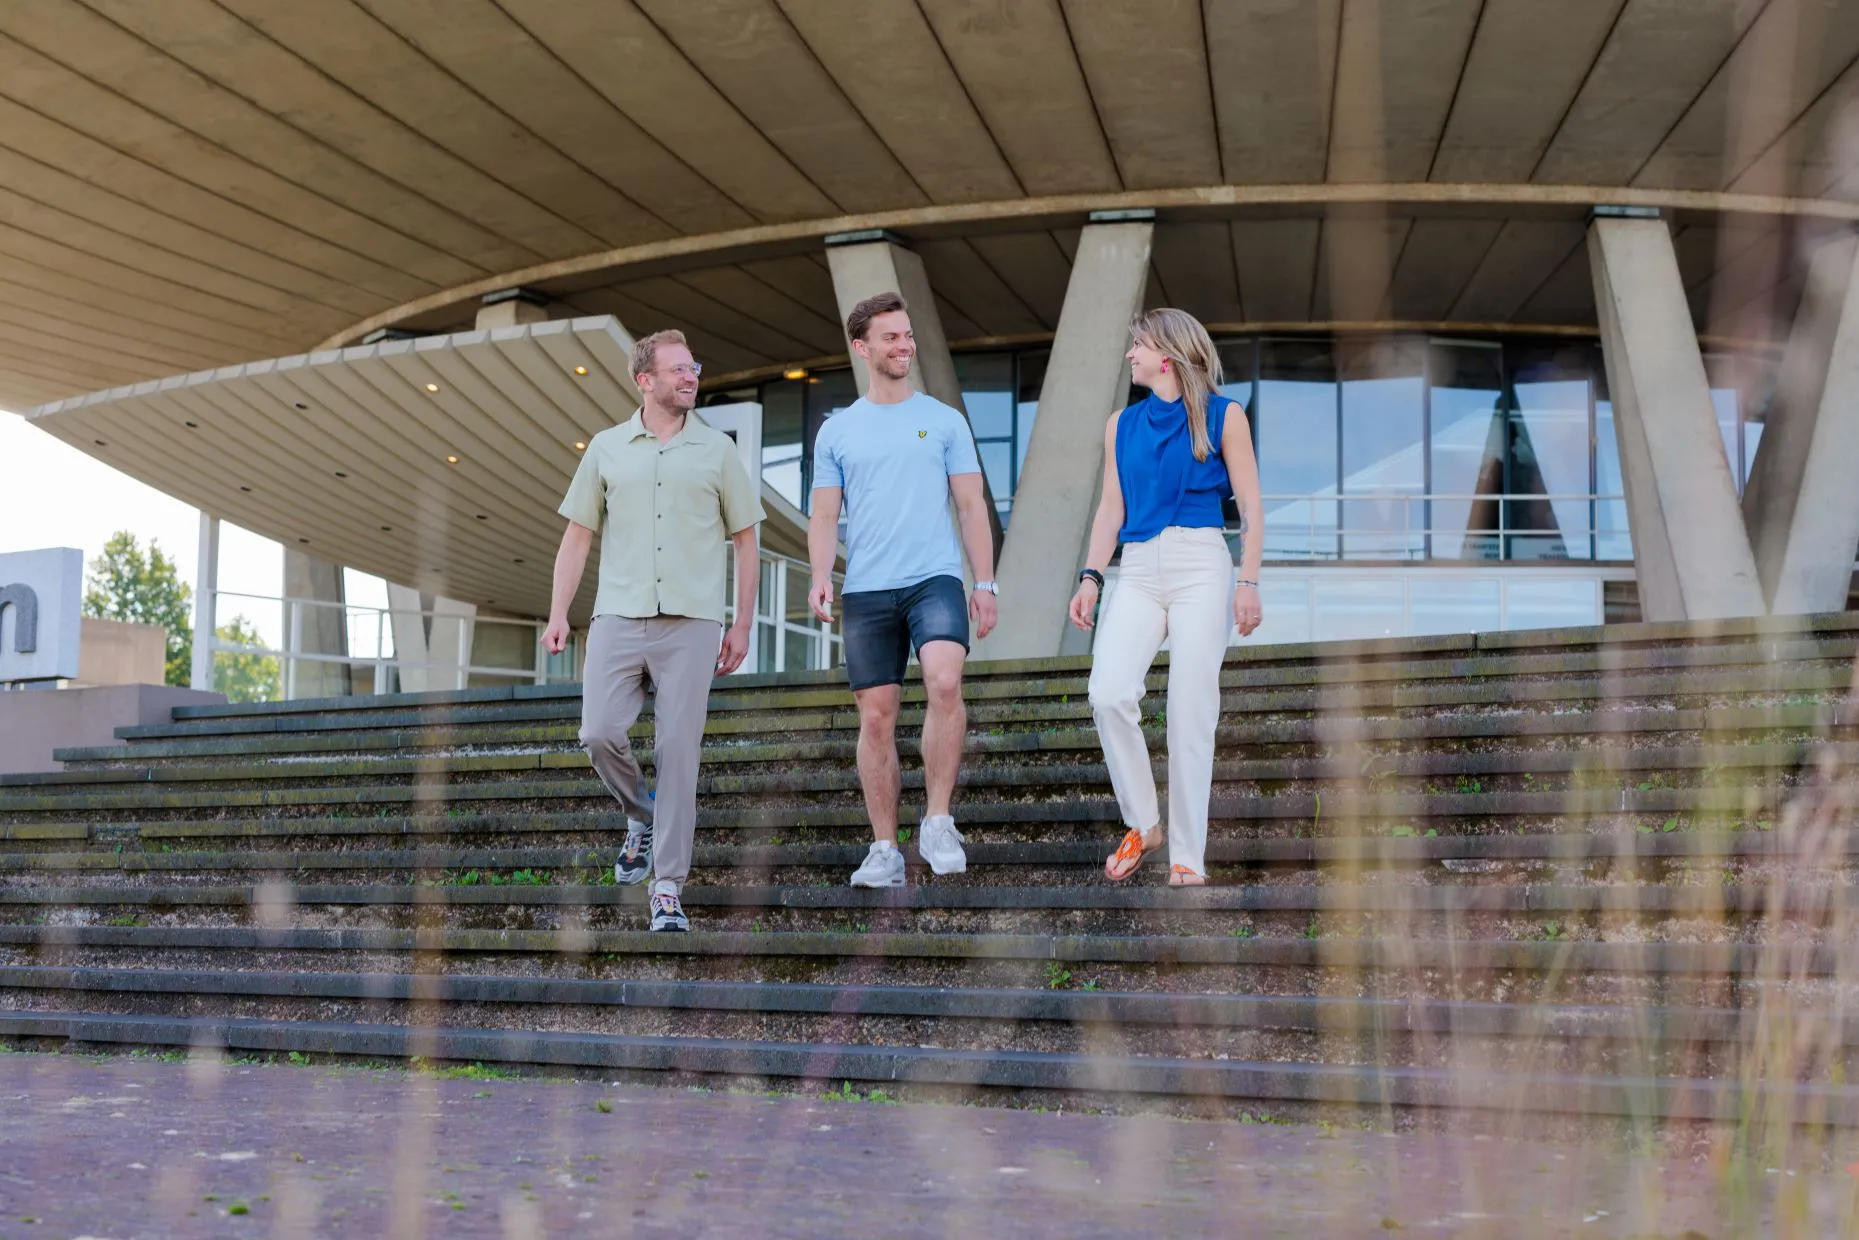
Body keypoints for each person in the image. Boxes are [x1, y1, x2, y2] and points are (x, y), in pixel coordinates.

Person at [543, 329, 764, 932]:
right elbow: (578, 535)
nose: (691, 377)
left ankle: (666, 888)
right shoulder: (608, 448)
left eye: (694, 367)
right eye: (677, 370)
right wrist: (560, 611)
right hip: (617, 613)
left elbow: (747, 540)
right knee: (598, 731)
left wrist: (742, 624)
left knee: (677, 750)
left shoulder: (718, 451)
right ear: (646, 380)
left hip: (691, 623)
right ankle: (641, 813)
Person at [807, 291, 998, 888]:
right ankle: (885, 848)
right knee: (877, 719)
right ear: (862, 348)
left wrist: (985, 581)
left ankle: (938, 819)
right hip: (867, 589)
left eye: (908, 335)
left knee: (944, 679)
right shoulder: (837, 432)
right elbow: (822, 515)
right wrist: (819, 575)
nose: (905, 345)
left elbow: (970, 504)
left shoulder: (944, 420)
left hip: (934, 577)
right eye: (892, 337)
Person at [1068, 308, 1264, 886]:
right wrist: (1090, 577)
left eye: (1137, 346)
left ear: (1167, 355)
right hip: (1138, 569)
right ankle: (1145, 823)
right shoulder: (1119, 425)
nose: (1129, 355)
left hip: (1201, 562)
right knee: (1107, 691)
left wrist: (1248, 581)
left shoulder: (1225, 416)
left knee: (1189, 709)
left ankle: (1187, 857)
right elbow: (1111, 509)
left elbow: (1250, 506)